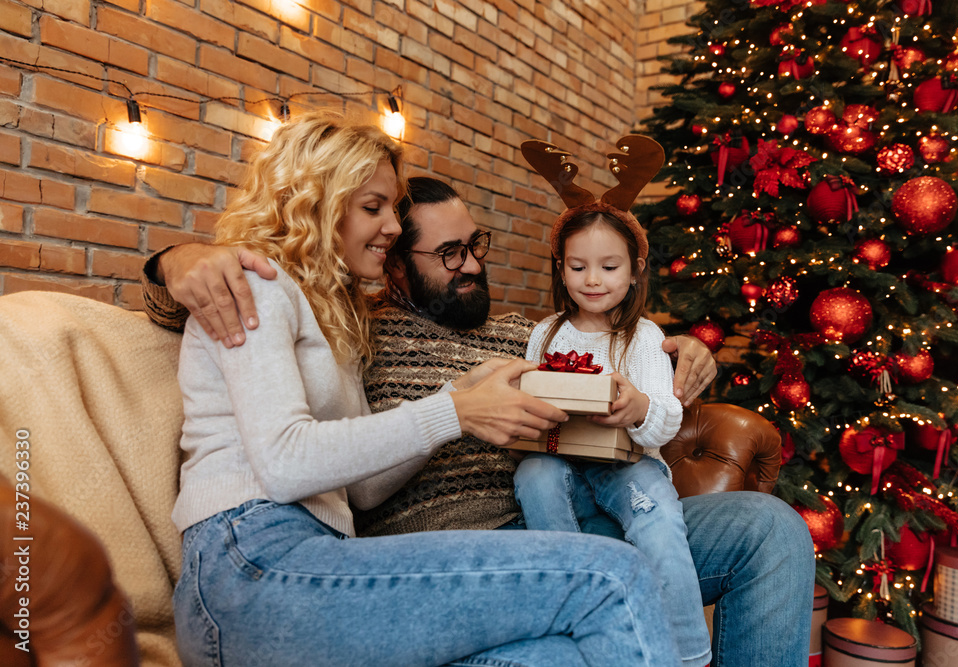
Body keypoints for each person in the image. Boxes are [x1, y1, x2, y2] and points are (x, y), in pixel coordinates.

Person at [146, 175, 816, 666]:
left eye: (475, 244)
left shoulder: (528, 332)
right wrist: (172, 261)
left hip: (576, 510)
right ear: (394, 264)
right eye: (448, 254)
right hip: (459, 549)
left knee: (772, 530)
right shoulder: (359, 334)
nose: (472, 264)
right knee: (598, 591)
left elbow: (619, 338)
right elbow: (213, 315)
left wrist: (685, 349)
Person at [514, 198, 709, 667]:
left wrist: (638, 407)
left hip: (631, 464)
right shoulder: (546, 332)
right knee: (531, 474)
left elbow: (667, 417)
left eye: (609, 266)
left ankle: (688, 653)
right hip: (563, 458)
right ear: (561, 269)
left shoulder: (644, 337)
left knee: (658, 516)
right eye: (578, 267)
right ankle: (571, 607)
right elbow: (532, 392)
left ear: (636, 269)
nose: (593, 280)